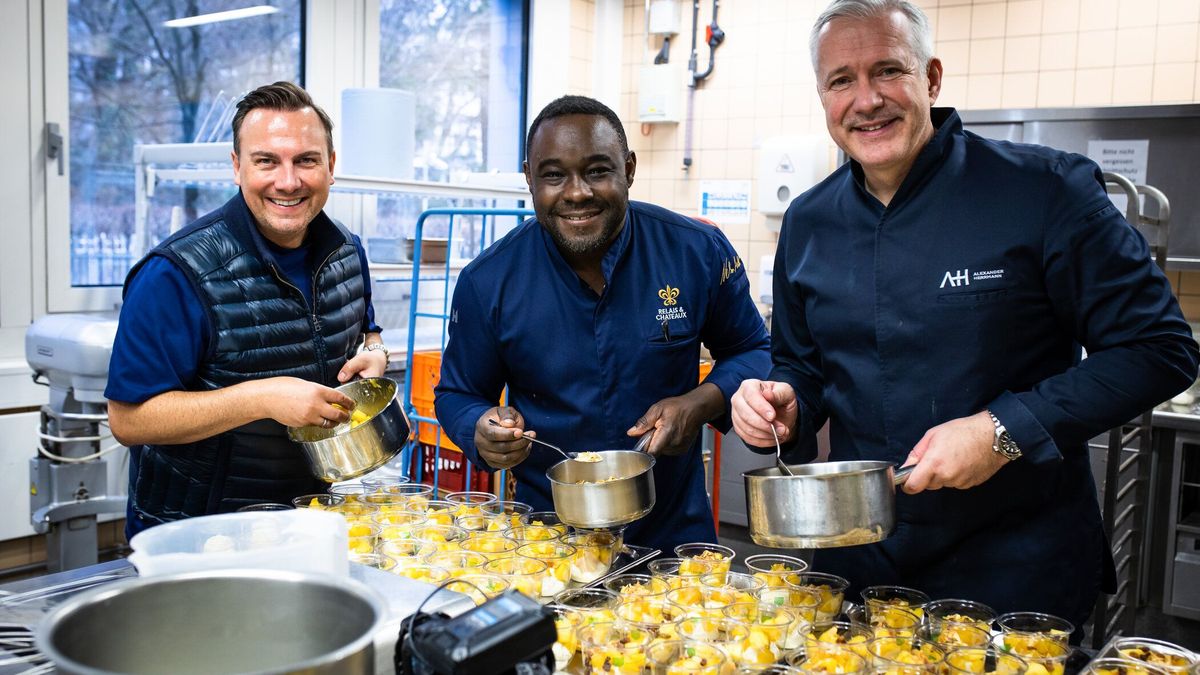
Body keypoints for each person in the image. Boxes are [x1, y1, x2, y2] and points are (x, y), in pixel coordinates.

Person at [730, 0, 1199, 634]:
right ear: (822, 96)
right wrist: (784, 403)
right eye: (841, 80)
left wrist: (1004, 430)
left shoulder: (1044, 190)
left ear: (932, 78)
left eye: (888, 71)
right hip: (862, 560)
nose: (866, 100)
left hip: (1016, 566)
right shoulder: (809, 221)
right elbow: (803, 369)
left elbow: (1159, 347)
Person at [434, 95, 771, 552]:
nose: (577, 193)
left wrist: (700, 403)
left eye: (597, 170)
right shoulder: (489, 280)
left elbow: (755, 350)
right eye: (553, 175)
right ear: (529, 177)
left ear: (628, 169)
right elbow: (457, 393)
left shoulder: (695, 250)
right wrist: (480, 426)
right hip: (546, 540)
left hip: (673, 533)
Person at [106, 81, 389, 537]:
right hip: (196, 532)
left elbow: (368, 330)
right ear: (237, 168)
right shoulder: (174, 274)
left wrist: (376, 353)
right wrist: (261, 398)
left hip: (308, 518)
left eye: (306, 160)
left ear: (331, 167)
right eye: (266, 161)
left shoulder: (348, 252)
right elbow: (129, 419)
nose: (289, 180)